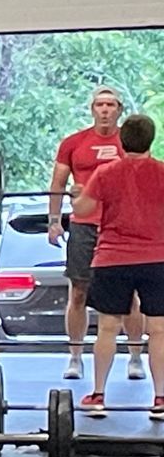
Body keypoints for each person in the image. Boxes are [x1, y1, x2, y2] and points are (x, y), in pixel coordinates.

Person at [70, 113, 164, 418]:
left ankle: (98, 396)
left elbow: (82, 209)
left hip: (112, 260)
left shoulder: (106, 172)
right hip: (157, 259)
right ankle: (161, 400)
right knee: (159, 330)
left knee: (107, 328)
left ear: (121, 140)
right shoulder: (162, 172)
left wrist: (77, 196)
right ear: (151, 139)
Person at [51, 87, 145, 381]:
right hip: (83, 224)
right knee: (78, 292)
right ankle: (76, 357)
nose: (105, 110)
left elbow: (143, 180)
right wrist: (54, 220)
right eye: (99, 105)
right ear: (92, 109)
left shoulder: (129, 142)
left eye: (110, 105)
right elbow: (58, 182)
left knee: (130, 295)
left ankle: (134, 357)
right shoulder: (73, 143)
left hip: (121, 226)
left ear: (119, 109)